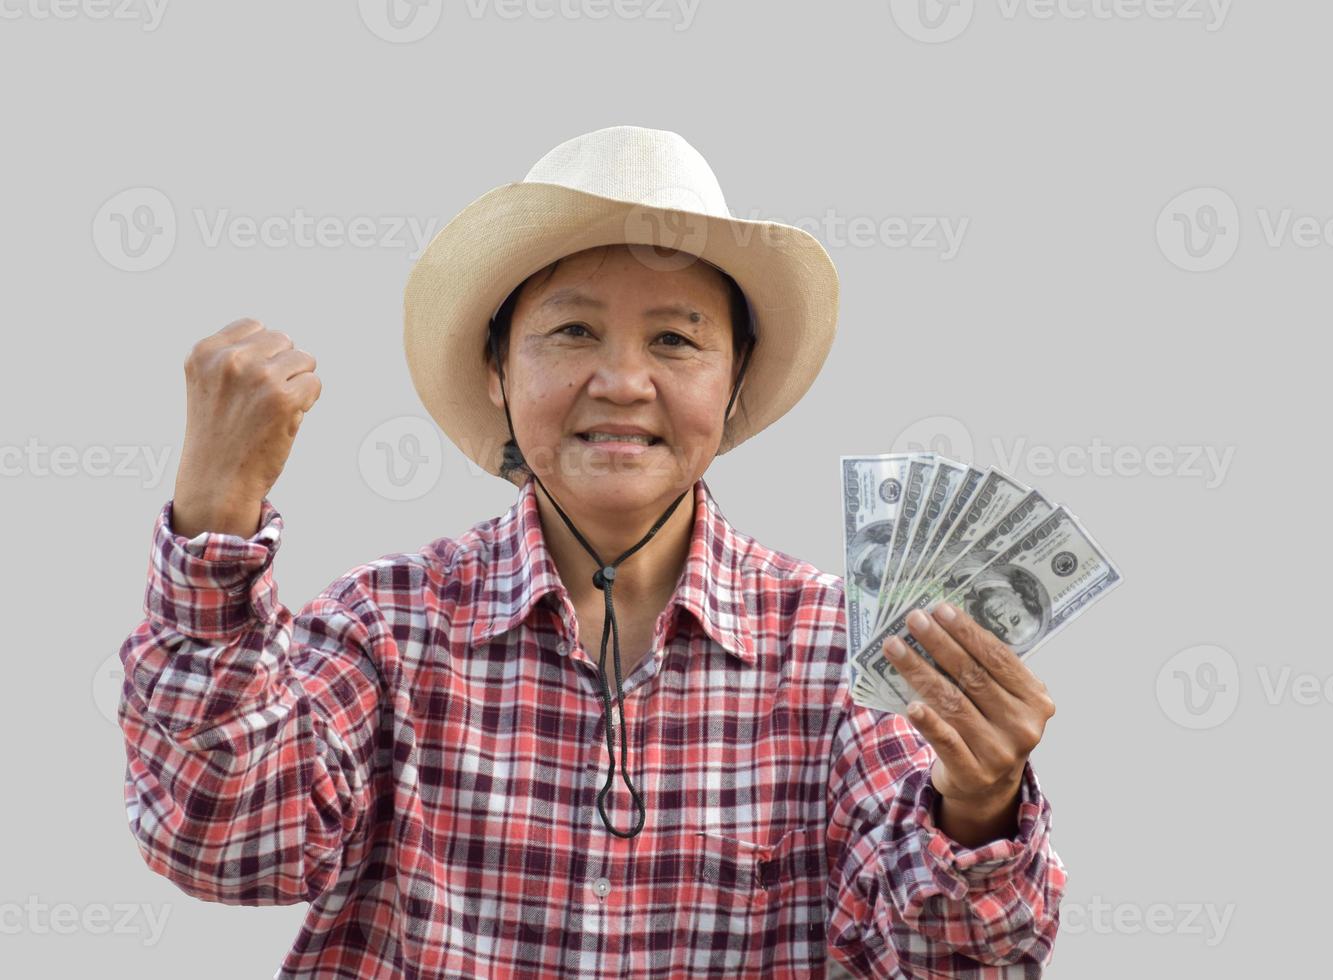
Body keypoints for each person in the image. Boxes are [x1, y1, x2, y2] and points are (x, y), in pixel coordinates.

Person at [116, 126, 1065, 978]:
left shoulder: (838, 646)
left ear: (734, 386)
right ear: (496, 371)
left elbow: (941, 961)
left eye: (676, 340)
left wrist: (977, 805)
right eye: (572, 331)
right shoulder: (387, 622)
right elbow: (228, 845)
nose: (621, 381)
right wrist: (215, 516)